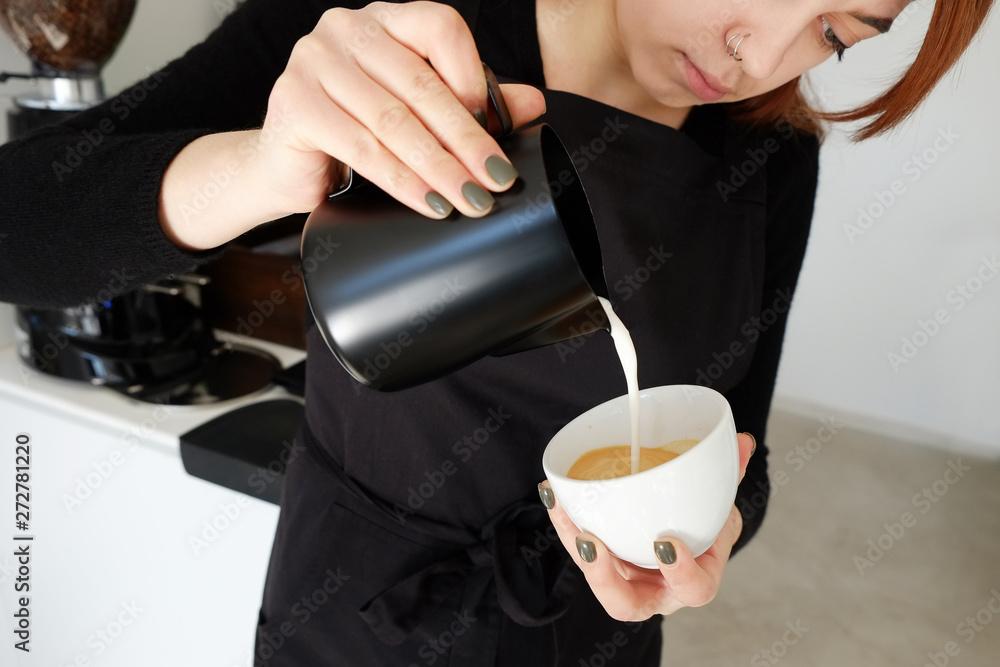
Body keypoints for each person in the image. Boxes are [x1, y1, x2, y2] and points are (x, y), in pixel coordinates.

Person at [0, 0, 993, 664]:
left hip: (594, 634)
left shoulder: (766, 157)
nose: (760, 57)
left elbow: (739, 449)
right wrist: (263, 167)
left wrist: (705, 531)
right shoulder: (407, 33)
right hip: (359, 614)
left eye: (835, 34)